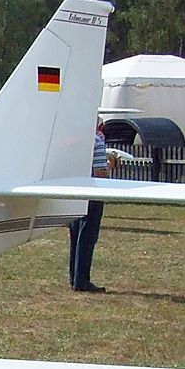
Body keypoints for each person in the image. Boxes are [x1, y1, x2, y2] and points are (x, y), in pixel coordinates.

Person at [68, 120, 112, 294]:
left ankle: (74, 277)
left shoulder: (74, 141)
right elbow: (100, 171)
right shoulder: (97, 141)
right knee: (87, 237)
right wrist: (111, 165)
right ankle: (82, 279)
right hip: (92, 191)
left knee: (75, 235)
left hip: (75, 191)